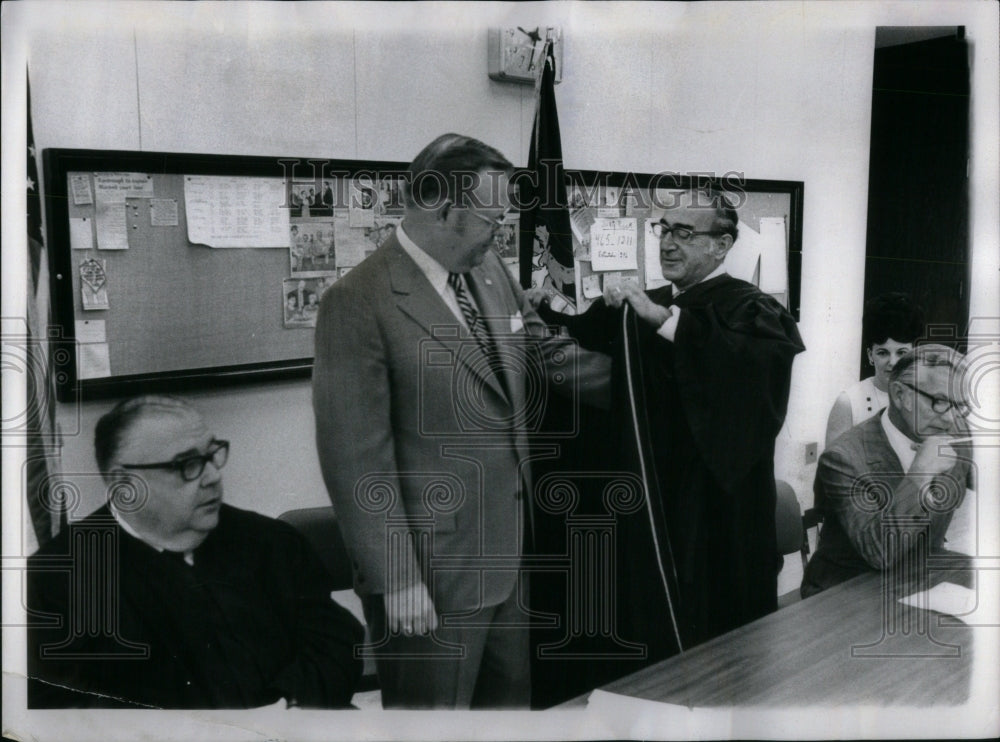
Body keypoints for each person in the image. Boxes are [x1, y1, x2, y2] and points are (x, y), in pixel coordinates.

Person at [312, 133, 609, 708]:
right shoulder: (358, 301)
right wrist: (398, 576)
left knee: (508, 713)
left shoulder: (488, 270)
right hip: (430, 572)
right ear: (444, 208)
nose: (500, 233)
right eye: (493, 220)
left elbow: (543, 352)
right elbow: (354, 459)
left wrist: (657, 375)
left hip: (507, 553)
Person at [529, 186, 805, 667]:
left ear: (721, 245)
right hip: (648, 502)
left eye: (683, 232)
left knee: (718, 655)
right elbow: (585, 346)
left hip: (717, 511)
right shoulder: (645, 301)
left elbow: (749, 382)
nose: (667, 243)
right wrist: (539, 311)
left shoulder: (752, 310)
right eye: (664, 229)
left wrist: (668, 323)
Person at [27, 395, 363, 709]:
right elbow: (61, 709)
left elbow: (333, 642)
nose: (213, 476)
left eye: (212, 454)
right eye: (187, 464)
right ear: (124, 485)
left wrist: (294, 706)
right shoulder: (56, 579)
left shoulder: (269, 541)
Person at [801, 344, 973, 597]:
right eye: (939, 401)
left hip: (920, 580)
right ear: (900, 394)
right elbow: (879, 552)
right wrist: (919, 475)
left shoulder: (956, 432)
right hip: (847, 592)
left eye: (960, 405)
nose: (950, 419)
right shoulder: (843, 459)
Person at [825, 292, 924, 446]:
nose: (893, 362)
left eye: (901, 353)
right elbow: (833, 467)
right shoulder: (849, 403)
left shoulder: (926, 398)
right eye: (883, 353)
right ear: (870, 355)